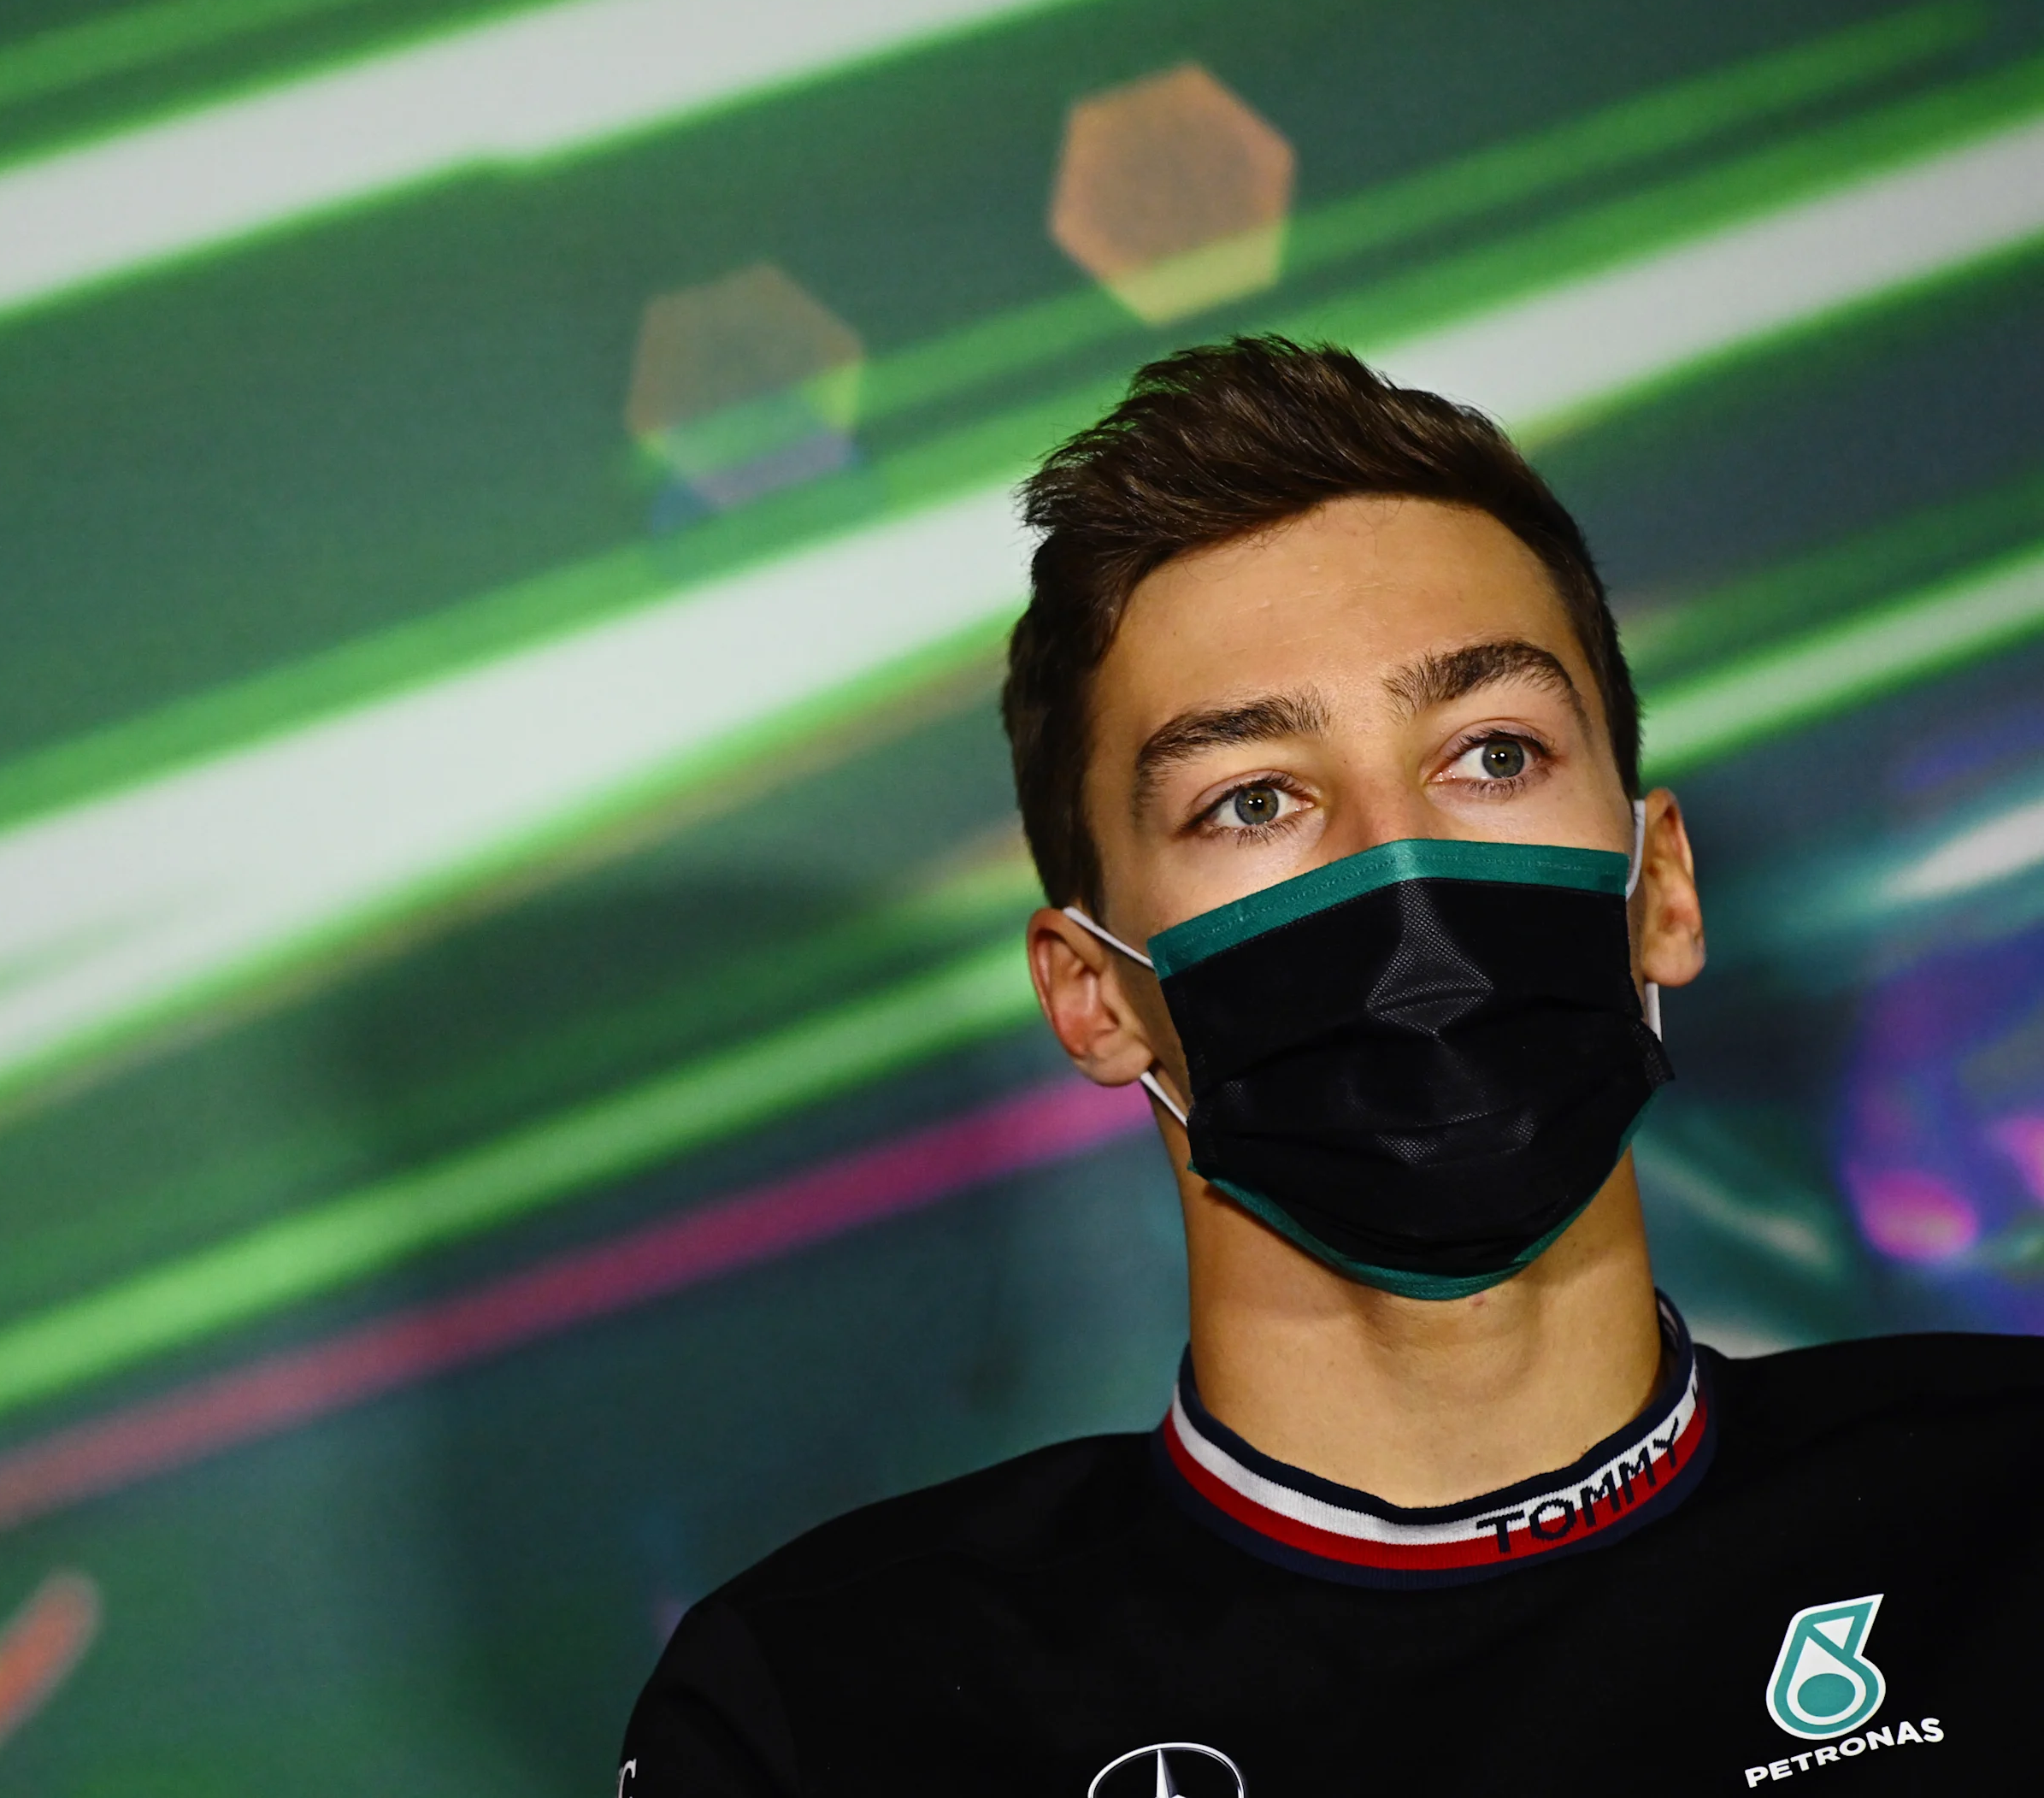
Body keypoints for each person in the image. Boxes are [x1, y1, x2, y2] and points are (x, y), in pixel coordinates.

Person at [617, 338, 2044, 1795]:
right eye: (1253, 800)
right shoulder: (830, 1711)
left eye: (1491, 755)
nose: (1399, 871)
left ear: (1661, 886)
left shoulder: (2008, 1521)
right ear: (1097, 995)